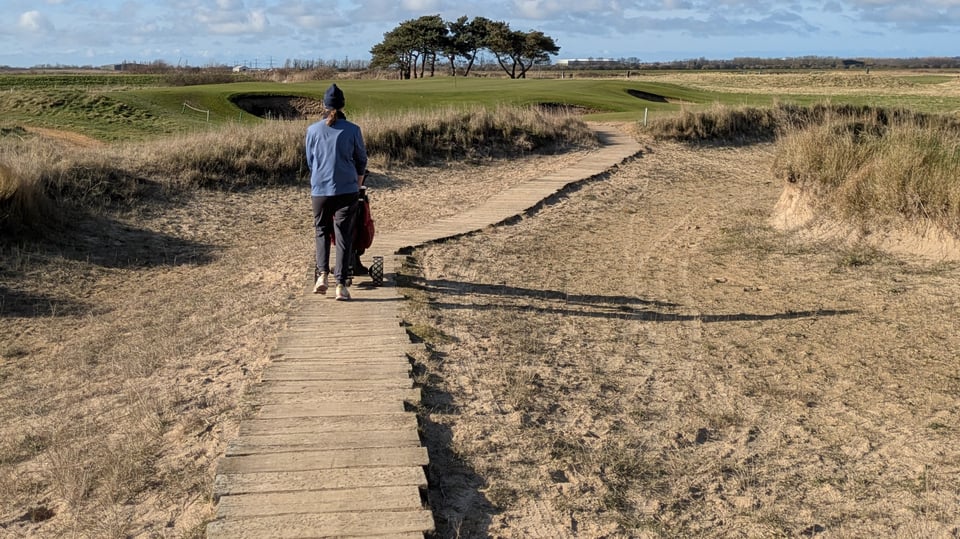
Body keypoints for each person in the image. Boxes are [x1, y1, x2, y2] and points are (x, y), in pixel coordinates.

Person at [306, 83, 367, 301]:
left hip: (320, 190)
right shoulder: (353, 130)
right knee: (343, 235)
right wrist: (357, 183)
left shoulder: (312, 130)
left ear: (324, 105)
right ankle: (340, 284)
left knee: (321, 231)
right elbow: (361, 161)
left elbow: (310, 162)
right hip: (347, 190)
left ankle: (322, 275)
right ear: (342, 106)